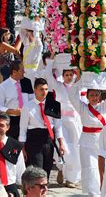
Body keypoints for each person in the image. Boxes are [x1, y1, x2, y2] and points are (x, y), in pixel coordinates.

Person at [68, 73, 106, 197]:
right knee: (91, 169)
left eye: (96, 95)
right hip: (86, 143)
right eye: (91, 95)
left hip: (101, 141)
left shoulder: (105, 107)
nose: (94, 97)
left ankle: (104, 191)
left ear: (100, 96)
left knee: (103, 168)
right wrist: (79, 80)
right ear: (87, 96)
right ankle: (93, 193)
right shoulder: (82, 107)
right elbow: (71, 95)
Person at [44, 59, 82, 188]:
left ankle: (72, 178)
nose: (69, 77)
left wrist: (78, 58)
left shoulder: (78, 86)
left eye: (71, 75)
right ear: (63, 75)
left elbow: (83, 75)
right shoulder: (58, 86)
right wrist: (54, 60)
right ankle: (61, 168)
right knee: (63, 147)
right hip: (61, 121)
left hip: (76, 121)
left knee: (76, 148)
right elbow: (48, 75)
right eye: (66, 75)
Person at [19, 78, 65, 178]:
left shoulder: (53, 104)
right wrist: (23, 148)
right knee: (37, 170)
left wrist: (61, 143)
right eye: (41, 89)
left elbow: (58, 126)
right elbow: (22, 129)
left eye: (46, 89)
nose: (44, 92)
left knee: (47, 169)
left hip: (48, 139)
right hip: (34, 140)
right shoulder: (27, 106)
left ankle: (43, 190)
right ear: (35, 90)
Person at [0, 60, 34, 139]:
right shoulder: (3, 86)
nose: (24, 72)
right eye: (22, 70)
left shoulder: (26, 82)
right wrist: (12, 111)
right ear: (14, 72)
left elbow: (32, 100)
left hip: (26, 119)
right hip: (11, 121)